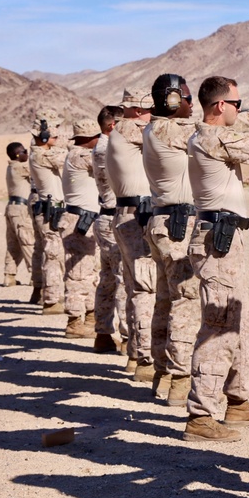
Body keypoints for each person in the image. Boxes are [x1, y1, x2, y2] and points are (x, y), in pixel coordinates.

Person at [181, 76, 249, 443]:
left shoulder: (213, 133)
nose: (241, 109)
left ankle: (236, 400)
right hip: (216, 241)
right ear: (220, 106)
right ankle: (200, 415)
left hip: (226, 238)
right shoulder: (212, 138)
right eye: (236, 104)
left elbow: (246, 121)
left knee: (239, 320)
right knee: (219, 327)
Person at [142, 73, 200, 406]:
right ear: (173, 99)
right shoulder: (167, 129)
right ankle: (180, 379)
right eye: (187, 98)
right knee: (185, 302)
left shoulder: (155, 129)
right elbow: (213, 130)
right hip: (177, 225)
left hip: (165, 222)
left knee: (165, 301)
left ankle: (163, 375)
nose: (191, 105)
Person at [108, 87, 158, 381]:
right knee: (145, 288)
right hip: (137, 217)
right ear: (139, 110)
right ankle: (146, 360)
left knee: (135, 287)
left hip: (129, 215)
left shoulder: (120, 130)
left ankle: (135, 355)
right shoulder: (130, 129)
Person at [60, 118, 102, 339]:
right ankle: (75, 322)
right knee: (78, 274)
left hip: (84, 218)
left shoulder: (77, 153)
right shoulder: (80, 155)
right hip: (79, 220)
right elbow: (106, 165)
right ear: (88, 139)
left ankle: (89, 316)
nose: (99, 141)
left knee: (88, 271)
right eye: (97, 137)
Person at [92, 105, 128, 354]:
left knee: (107, 280)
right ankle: (129, 340)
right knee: (124, 280)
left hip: (106, 218)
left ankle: (103, 334)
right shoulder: (107, 148)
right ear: (113, 125)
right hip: (113, 219)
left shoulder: (102, 146)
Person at [28, 109, 68, 316]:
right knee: (53, 255)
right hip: (52, 209)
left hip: (51, 207)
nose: (58, 137)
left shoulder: (39, 152)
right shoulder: (42, 154)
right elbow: (68, 158)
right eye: (54, 135)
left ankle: (49, 295)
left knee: (51, 253)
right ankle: (52, 300)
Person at [3, 142, 35, 288]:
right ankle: (36, 276)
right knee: (28, 242)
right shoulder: (19, 167)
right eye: (24, 151)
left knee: (14, 244)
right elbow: (37, 167)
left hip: (12, 208)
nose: (26, 154)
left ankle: (9, 275)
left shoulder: (12, 167)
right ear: (17, 154)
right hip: (21, 209)